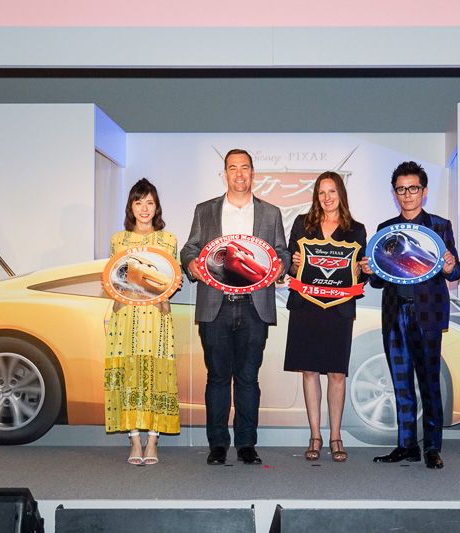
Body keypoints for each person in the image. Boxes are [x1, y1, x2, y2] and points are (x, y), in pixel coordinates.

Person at [180, 149, 290, 465]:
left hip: (254, 307)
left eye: (244, 168)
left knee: (247, 378)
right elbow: (190, 248)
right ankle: (217, 445)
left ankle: (246, 444)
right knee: (217, 378)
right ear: (225, 174)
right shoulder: (205, 210)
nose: (239, 174)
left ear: (252, 173)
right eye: (232, 168)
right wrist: (192, 265)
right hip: (216, 306)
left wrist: (280, 267)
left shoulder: (271, 213)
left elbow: (281, 251)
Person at [360, 161, 460, 469]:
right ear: (395, 193)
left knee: (430, 384)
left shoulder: (440, 226)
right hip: (394, 314)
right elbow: (379, 281)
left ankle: (431, 448)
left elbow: (455, 270)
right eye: (401, 189)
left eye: (413, 188)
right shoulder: (385, 229)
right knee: (400, 384)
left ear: (424, 191)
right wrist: (368, 271)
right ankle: (407, 446)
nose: (407, 194)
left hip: (427, 314)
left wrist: (450, 267)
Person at [283, 172, 366, 462]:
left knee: (336, 373)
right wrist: (294, 264)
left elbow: (360, 273)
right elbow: (291, 268)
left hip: (338, 309)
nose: (327, 197)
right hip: (306, 307)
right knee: (309, 371)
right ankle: (315, 436)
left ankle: (336, 436)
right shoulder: (302, 224)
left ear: (341, 193)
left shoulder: (356, 229)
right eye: (321, 192)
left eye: (332, 191)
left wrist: (360, 271)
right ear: (316, 196)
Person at [104, 178, 180, 465]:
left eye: (149, 202)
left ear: (157, 206)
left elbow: (170, 279)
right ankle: (135, 440)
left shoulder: (168, 240)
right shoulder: (119, 240)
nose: (144, 208)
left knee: (157, 374)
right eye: (139, 202)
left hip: (157, 315)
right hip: (126, 314)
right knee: (130, 372)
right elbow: (114, 279)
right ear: (131, 207)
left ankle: (153, 441)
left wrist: (169, 288)